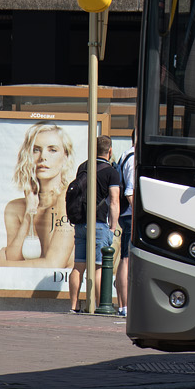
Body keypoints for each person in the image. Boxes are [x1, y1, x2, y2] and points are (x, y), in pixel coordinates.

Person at [0, 123, 76, 268]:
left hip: (63, 288)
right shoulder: (15, 208)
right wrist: (28, 215)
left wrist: (5, 264)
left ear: (65, 156)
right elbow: (14, 257)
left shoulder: (67, 198)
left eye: (52, 150)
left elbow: (54, 264)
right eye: (36, 150)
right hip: (25, 287)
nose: (43, 157)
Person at [68, 136, 121, 314]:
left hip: (81, 223)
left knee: (78, 266)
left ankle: (73, 306)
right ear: (110, 151)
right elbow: (114, 201)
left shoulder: (83, 167)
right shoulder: (111, 172)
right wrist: (113, 227)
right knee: (99, 267)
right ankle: (101, 305)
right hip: (99, 224)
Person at [115, 144, 135, 319]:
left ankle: (123, 305)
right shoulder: (134, 157)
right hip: (130, 216)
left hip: (125, 215)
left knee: (125, 259)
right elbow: (130, 192)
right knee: (126, 259)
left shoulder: (125, 155)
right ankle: (125, 306)